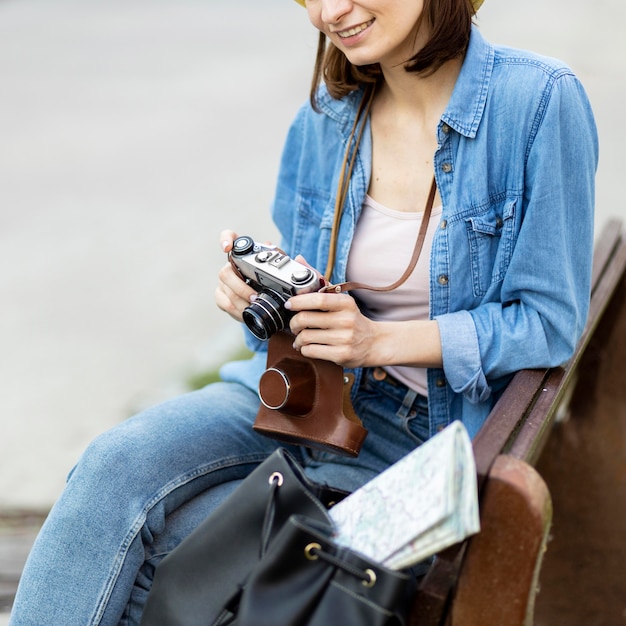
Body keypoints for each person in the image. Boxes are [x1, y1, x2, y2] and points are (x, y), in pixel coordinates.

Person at [10, 0, 598, 624]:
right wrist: (257, 296)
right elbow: (309, 283)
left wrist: (378, 342)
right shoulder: (329, 114)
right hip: (300, 399)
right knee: (111, 470)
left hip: (418, 439)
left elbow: (548, 322)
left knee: (169, 548)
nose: (328, 12)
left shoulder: (537, 104)